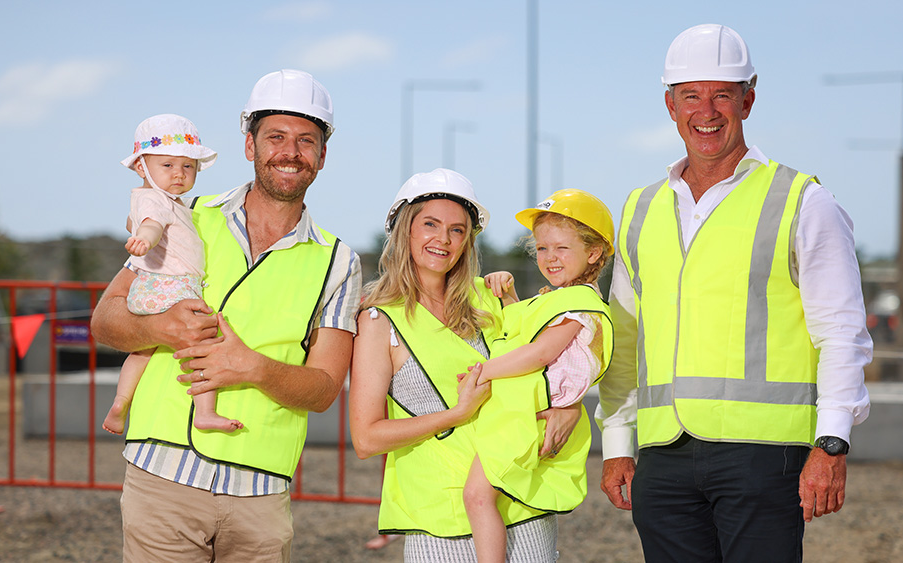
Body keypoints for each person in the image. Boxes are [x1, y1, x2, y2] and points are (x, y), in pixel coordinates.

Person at [595, 24, 872, 562]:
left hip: (764, 457)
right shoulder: (639, 209)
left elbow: (841, 331)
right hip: (663, 457)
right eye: (691, 95)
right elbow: (624, 338)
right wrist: (617, 444)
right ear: (670, 105)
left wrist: (832, 441)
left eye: (722, 94)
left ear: (748, 99)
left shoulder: (801, 201)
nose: (707, 111)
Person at [91, 69, 362, 562]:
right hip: (161, 478)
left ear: (322, 155)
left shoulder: (339, 261)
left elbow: (325, 389)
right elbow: (105, 319)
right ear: (249, 145)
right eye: (275, 137)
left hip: (259, 494)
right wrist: (157, 328)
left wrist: (252, 368)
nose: (290, 151)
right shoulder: (183, 214)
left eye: (306, 140)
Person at [349, 168, 581, 562]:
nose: (443, 239)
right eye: (430, 225)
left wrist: (568, 408)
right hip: (440, 517)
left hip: (521, 498)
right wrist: (457, 413)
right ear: (404, 230)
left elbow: (546, 366)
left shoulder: (489, 298)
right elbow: (367, 439)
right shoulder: (378, 322)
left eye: (458, 230)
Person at [462, 189, 615, 563]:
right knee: (485, 495)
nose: (549, 258)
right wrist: (512, 297)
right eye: (542, 249)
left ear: (593, 252)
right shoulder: (560, 298)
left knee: (478, 495)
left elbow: (540, 353)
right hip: (530, 409)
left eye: (562, 248)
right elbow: (530, 334)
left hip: (529, 414)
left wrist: (483, 372)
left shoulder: (579, 304)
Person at [102, 113, 241, 435]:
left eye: (188, 167)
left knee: (142, 351)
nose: (179, 174)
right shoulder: (159, 201)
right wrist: (144, 240)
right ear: (142, 167)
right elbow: (151, 224)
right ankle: (205, 412)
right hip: (173, 286)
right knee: (205, 343)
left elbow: (136, 220)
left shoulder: (149, 197)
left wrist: (136, 229)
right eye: (167, 166)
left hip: (149, 288)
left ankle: (122, 400)